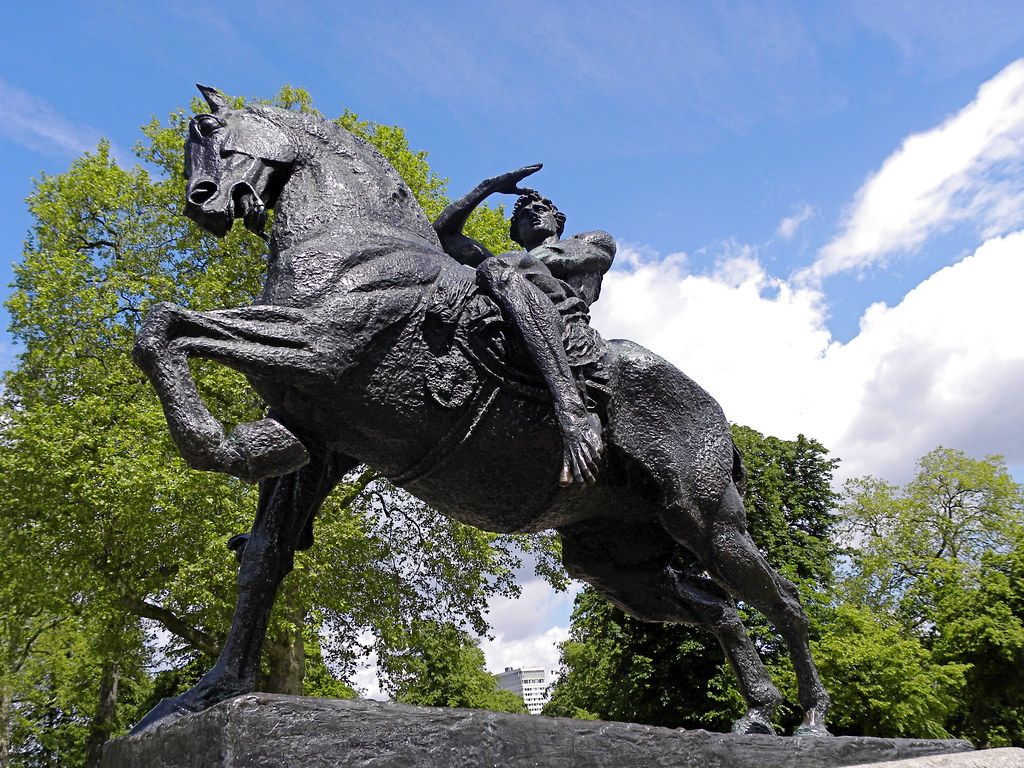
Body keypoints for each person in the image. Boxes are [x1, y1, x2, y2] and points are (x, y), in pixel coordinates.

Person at [432, 165, 615, 486]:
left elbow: (549, 259)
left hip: (568, 327)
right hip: (518, 311)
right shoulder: (507, 266)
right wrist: (487, 187)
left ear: (558, 219)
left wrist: (498, 262)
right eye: (522, 215)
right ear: (516, 231)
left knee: (495, 266)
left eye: (540, 209)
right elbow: (442, 236)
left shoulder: (592, 241)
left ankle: (574, 410)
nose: (531, 214)